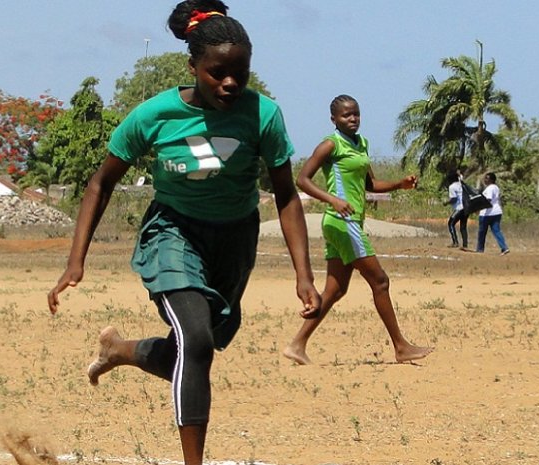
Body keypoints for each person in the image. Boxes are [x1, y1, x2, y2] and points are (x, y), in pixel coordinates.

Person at [46, 2, 321, 464]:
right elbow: (100, 182)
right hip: (173, 233)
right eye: (217, 73)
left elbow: (287, 195)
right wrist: (76, 260)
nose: (230, 83)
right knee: (194, 340)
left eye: (241, 73)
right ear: (192, 66)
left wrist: (304, 274)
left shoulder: (264, 115)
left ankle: (121, 350)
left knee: (197, 348)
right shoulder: (154, 115)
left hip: (235, 239)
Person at [283, 94, 433, 365]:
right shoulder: (331, 145)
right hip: (342, 222)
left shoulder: (361, 144)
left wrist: (400, 184)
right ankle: (401, 347)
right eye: (345, 115)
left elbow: (369, 185)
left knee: (335, 290)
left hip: (350, 221)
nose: (352, 119)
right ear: (334, 119)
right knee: (380, 281)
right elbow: (302, 180)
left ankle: (297, 344)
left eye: (356, 114)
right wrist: (333, 199)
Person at [475, 172, 509, 255]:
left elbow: (488, 200)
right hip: (497, 212)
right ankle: (504, 248)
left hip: (487, 214)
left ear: (491, 180)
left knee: (482, 232)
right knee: (496, 230)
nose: (485, 180)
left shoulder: (490, 188)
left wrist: (478, 208)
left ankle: (480, 249)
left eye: (487, 178)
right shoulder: (496, 187)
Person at [444, 169, 468, 249]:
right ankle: (465, 245)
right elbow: (460, 176)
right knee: (463, 227)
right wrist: (458, 173)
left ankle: (455, 242)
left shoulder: (452, 187)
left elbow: (453, 199)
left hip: (459, 208)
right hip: (466, 207)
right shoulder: (461, 184)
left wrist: (446, 202)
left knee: (451, 223)